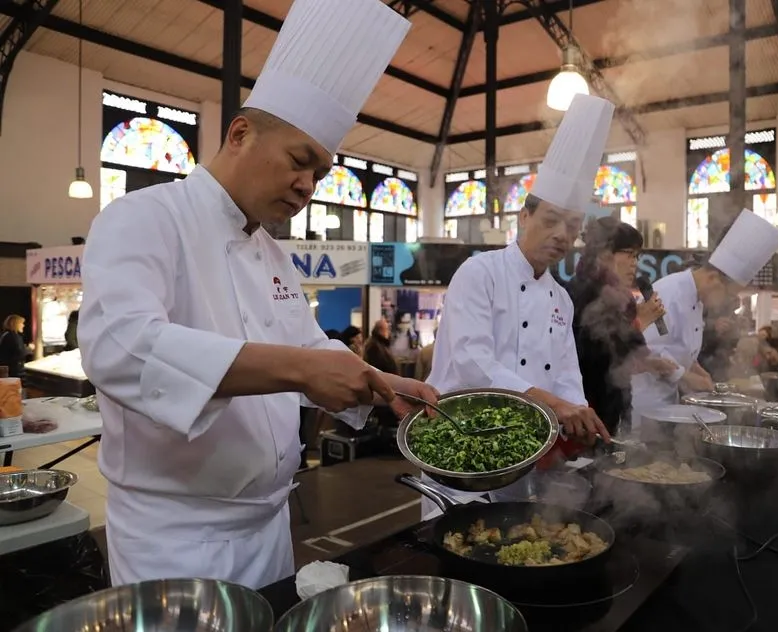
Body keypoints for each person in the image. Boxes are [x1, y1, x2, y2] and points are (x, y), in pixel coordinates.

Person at [76, 0, 436, 590]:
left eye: (320, 175)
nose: (307, 186)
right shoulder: (144, 217)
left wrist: (383, 384)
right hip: (175, 541)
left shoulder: (272, 253)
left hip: (270, 529)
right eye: (300, 161)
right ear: (239, 133)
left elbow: (308, 345)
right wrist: (299, 369)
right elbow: (120, 347)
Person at [422, 94, 616, 517]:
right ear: (523, 218)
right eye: (551, 220)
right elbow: (472, 362)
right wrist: (551, 403)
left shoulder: (560, 298)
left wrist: (578, 413)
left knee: (517, 537)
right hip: (462, 451)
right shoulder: (480, 272)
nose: (562, 234)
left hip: (524, 454)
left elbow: (566, 374)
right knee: (458, 543)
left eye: (573, 226)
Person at [631, 210, 778, 415]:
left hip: (667, 402)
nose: (728, 301)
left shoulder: (697, 299)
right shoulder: (668, 294)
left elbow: (679, 349)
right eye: (729, 294)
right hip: (643, 405)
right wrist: (687, 377)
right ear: (713, 279)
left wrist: (698, 370)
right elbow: (646, 350)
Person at [569, 217, 671, 436]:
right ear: (604, 254)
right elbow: (589, 357)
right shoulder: (580, 293)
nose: (635, 263)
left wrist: (647, 362)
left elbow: (619, 361)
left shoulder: (622, 297)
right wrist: (640, 322)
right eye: (629, 254)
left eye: (637, 256)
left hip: (616, 406)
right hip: (586, 410)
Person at [0, 314, 28, 378]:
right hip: (13, 371)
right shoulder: (13, 337)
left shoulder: (6, 334)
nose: (23, 325)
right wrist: (29, 349)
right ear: (15, 324)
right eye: (21, 323)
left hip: (8, 369)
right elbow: (19, 353)